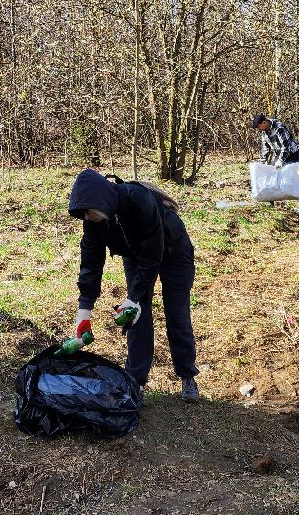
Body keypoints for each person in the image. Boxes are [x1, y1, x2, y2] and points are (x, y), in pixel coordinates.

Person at [68, 169, 201, 402]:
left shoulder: (138, 200)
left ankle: (187, 375)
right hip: (135, 256)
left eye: (89, 213)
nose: (87, 218)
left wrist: (134, 296)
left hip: (172, 251)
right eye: (84, 215)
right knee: (136, 318)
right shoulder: (94, 219)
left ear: (102, 202)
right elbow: (90, 263)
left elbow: (153, 255)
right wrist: (84, 312)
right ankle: (135, 382)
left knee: (176, 313)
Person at [249, 112, 299, 216]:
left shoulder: (279, 128)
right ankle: (270, 204)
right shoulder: (264, 132)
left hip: (292, 153)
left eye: (259, 127)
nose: (258, 129)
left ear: (264, 122)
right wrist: (262, 163)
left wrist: (280, 161)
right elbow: (265, 148)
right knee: (272, 176)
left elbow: (286, 146)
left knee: (297, 179)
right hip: (279, 153)